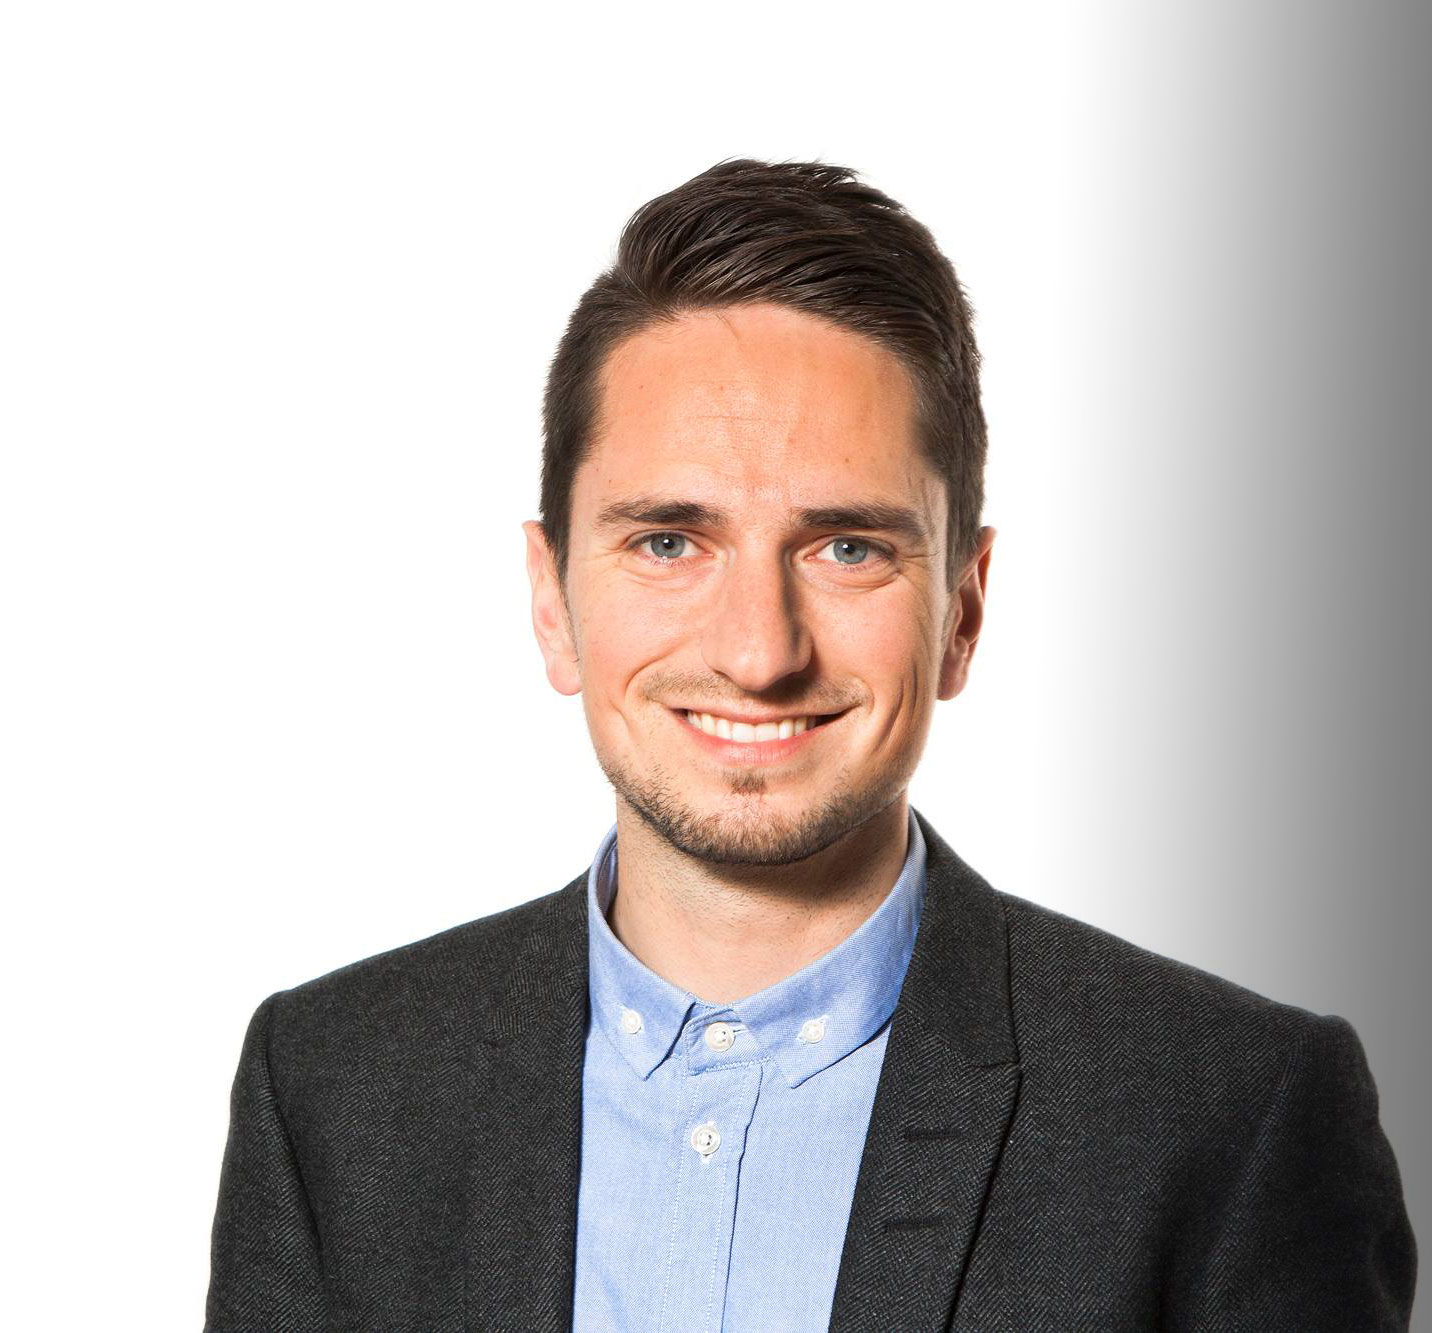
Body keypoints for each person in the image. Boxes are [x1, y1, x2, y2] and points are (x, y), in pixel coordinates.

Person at [205, 159, 1417, 1331]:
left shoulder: (1229, 1114)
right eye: (668, 541)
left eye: (846, 548)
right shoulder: (330, 1090)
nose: (758, 650)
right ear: (550, 599)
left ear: (961, 611)